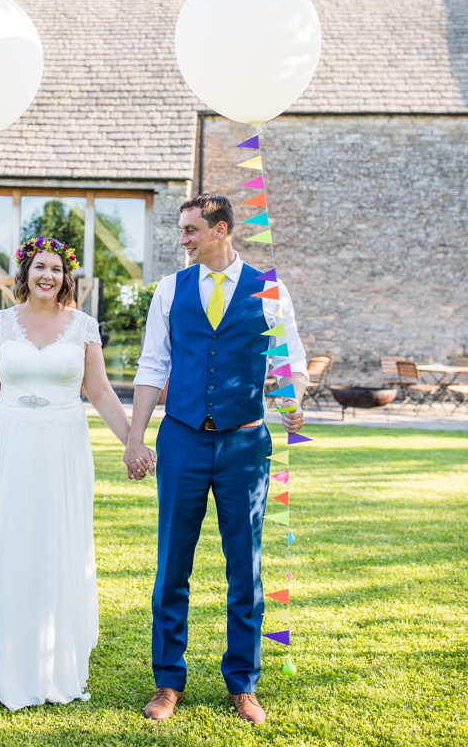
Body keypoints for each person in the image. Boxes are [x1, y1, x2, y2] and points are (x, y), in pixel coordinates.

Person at [124, 194, 308, 725]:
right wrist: (136, 438)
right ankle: (167, 681)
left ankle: (243, 684)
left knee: (244, 568)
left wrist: (293, 404)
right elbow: (152, 364)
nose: (181, 240)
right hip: (181, 438)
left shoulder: (269, 289)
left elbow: (288, 359)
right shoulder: (169, 289)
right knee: (171, 565)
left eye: (189, 230)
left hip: (245, 444)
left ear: (220, 229)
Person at [0, 235, 131, 711]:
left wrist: (134, 442)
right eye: (40, 266)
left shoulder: (83, 326)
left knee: (55, 538)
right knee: (11, 537)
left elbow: (99, 392)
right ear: (25, 273)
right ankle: (2, 644)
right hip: (12, 443)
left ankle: (54, 645)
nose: (48, 276)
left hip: (62, 445)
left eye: (57, 269)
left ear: (67, 277)